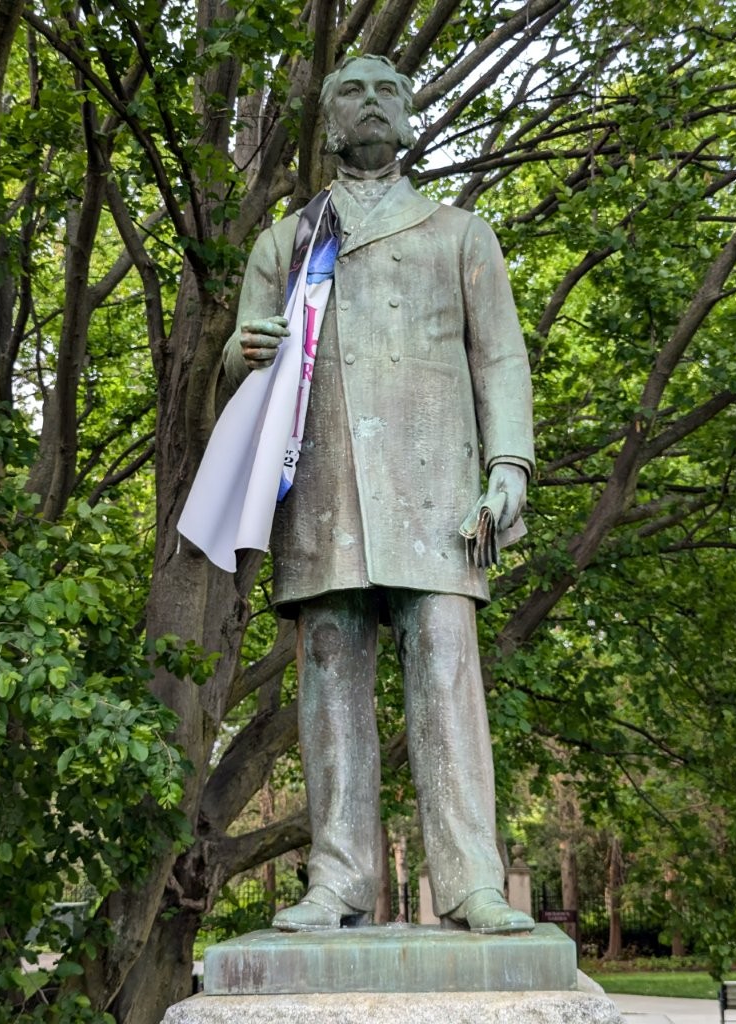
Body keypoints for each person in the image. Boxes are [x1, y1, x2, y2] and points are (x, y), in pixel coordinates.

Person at [223, 54, 535, 934]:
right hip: (322, 490)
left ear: (408, 120)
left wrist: (508, 465)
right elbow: (238, 380)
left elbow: (501, 360)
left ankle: (472, 881)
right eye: (350, 92)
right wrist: (232, 355)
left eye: (386, 91)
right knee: (327, 679)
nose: (370, 104)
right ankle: (341, 880)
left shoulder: (458, 235)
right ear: (328, 124)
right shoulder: (286, 243)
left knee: (446, 670)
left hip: (437, 494)